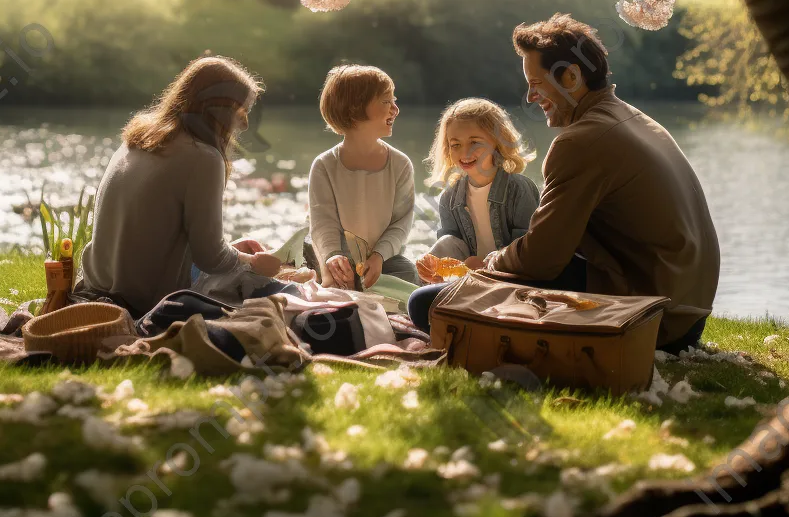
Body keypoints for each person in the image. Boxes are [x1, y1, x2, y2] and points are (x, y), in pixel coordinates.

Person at [412, 14, 721, 354]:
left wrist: (487, 264)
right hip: (686, 310)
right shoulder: (632, 118)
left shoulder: (582, 140)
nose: (530, 97)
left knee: (426, 303)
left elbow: (541, 259)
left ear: (571, 77)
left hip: (651, 316)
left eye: (537, 83)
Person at [74, 55, 284, 320]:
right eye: (241, 112)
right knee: (274, 293)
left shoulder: (140, 135)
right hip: (143, 303)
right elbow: (211, 260)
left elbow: (166, 239)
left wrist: (234, 250)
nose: (244, 124)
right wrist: (252, 263)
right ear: (218, 109)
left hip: (94, 285)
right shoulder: (203, 158)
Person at [408, 98, 540, 327]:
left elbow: (526, 251)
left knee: (426, 306)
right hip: (468, 280)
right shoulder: (450, 196)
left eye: (475, 142)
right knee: (419, 295)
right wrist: (436, 268)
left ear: (497, 142)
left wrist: (486, 264)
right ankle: (443, 304)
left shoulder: (519, 188)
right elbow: (450, 247)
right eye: (455, 144)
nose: (464, 152)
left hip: (509, 279)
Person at [306, 64, 419, 289]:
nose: (395, 109)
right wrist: (332, 257)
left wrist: (378, 256)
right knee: (323, 269)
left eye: (394, 101)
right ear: (355, 108)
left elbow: (401, 224)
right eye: (386, 102)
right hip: (338, 258)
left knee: (407, 271)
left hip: (384, 259)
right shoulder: (324, 165)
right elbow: (323, 221)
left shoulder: (400, 164)